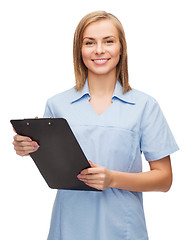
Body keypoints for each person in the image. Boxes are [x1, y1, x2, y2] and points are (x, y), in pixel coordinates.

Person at [12, 11, 179, 240]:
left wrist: (112, 179)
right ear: (79, 50)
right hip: (68, 227)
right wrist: (27, 148)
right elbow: (53, 164)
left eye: (108, 41)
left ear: (121, 48)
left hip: (123, 230)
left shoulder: (145, 106)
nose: (99, 50)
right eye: (90, 42)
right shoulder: (57, 105)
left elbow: (164, 179)